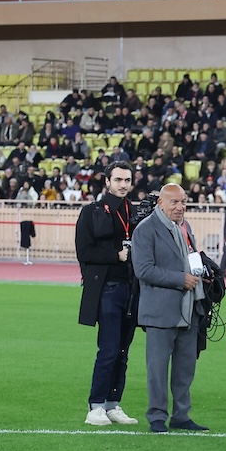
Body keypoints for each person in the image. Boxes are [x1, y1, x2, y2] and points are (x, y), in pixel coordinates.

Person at [131, 183, 208, 434]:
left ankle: (181, 415)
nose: (180, 206)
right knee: (157, 369)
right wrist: (180, 279)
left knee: (185, 368)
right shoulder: (145, 229)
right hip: (160, 310)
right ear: (160, 203)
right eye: (174, 202)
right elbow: (143, 270)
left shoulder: (185, 227)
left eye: (183, 201)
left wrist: (202, 274)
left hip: (189, 308)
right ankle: (156, 416)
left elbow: (189, 259)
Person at [74, 162, 140, 427]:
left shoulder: (135, 212)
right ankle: (96, 406)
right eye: (118, 180)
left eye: (127, 180)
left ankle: (113, 404)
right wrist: (116, 255)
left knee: (123, 351)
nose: (123, 185)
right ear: (108, 182)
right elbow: (84, 252)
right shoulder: (91, 212)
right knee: (109, 349)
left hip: (132, 289)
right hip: (107, 289)